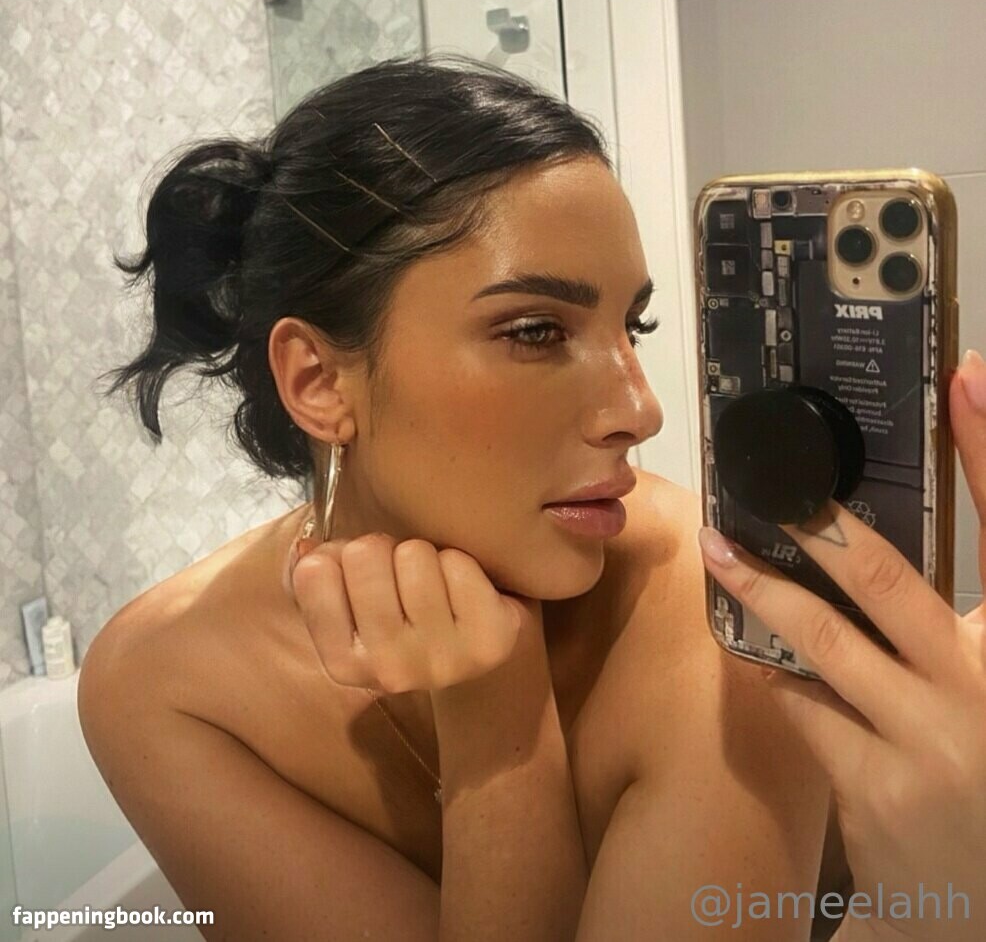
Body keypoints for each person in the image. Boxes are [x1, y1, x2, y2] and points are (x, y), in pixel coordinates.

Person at [77, 53, 986, 941]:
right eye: (536, 331)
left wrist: (496, 721)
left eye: (632, 326)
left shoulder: (712, 614)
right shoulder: (164, 686)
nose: (642, 411)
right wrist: (494, 727)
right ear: (317, 380)